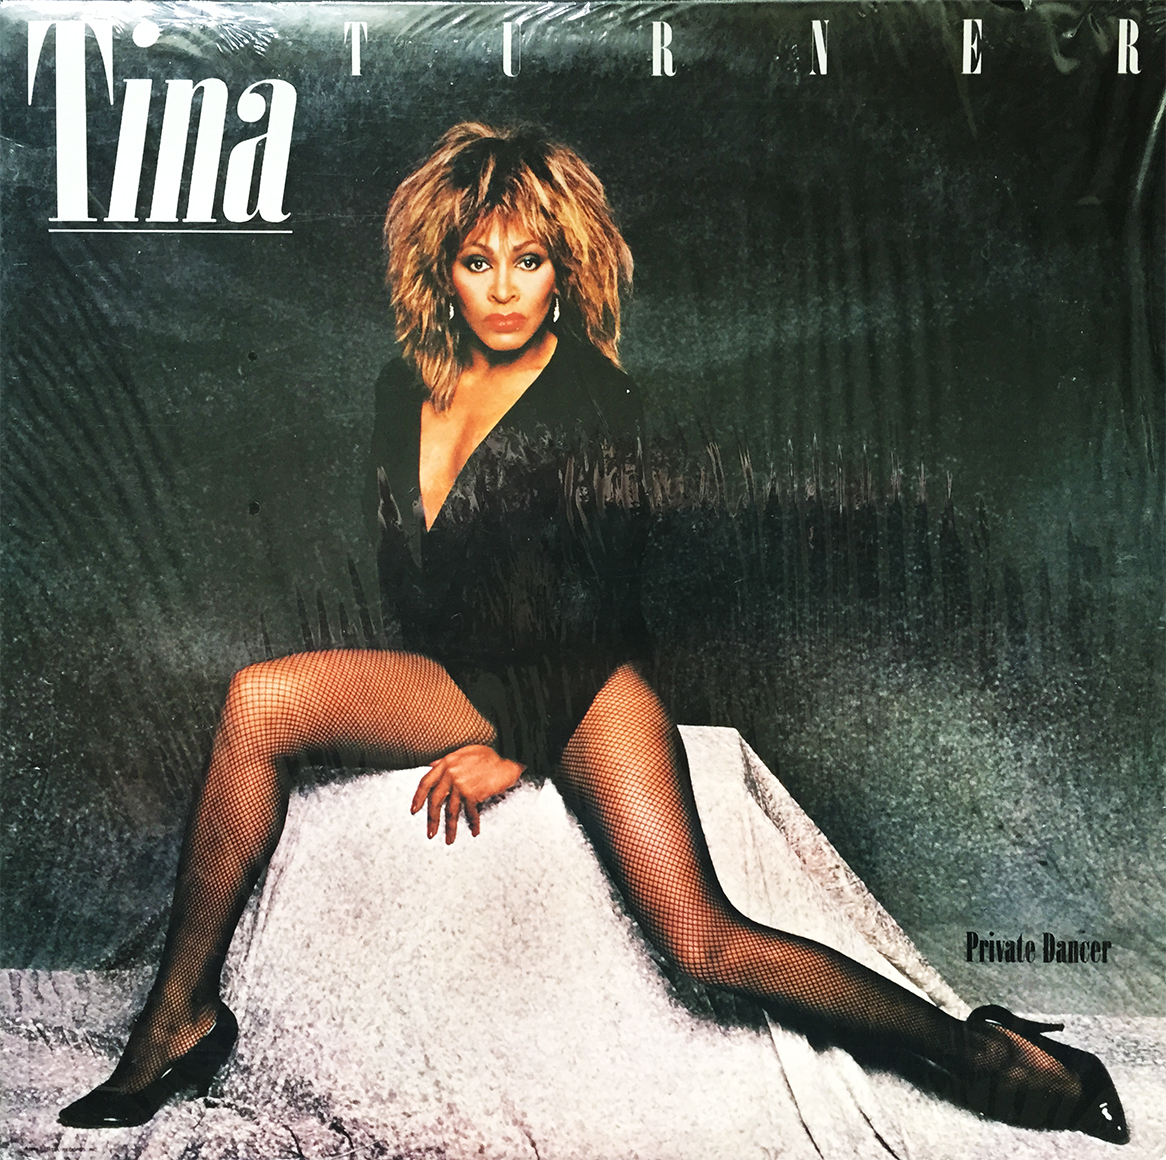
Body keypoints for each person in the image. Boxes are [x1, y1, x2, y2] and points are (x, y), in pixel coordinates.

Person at [59, 122, 1128, 1146]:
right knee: (258, 702)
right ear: (442, 272)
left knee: (703, 941)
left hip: (582, 679)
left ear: (562, 271)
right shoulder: (402, 392)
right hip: (465, 667)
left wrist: (512, 747)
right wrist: (451, 705)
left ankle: (977, 1052)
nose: (504, 288)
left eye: (528, 261)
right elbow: (417, 594)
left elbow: (604, 607)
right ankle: (179, 1015)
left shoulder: (595, 404)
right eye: (478, 262)